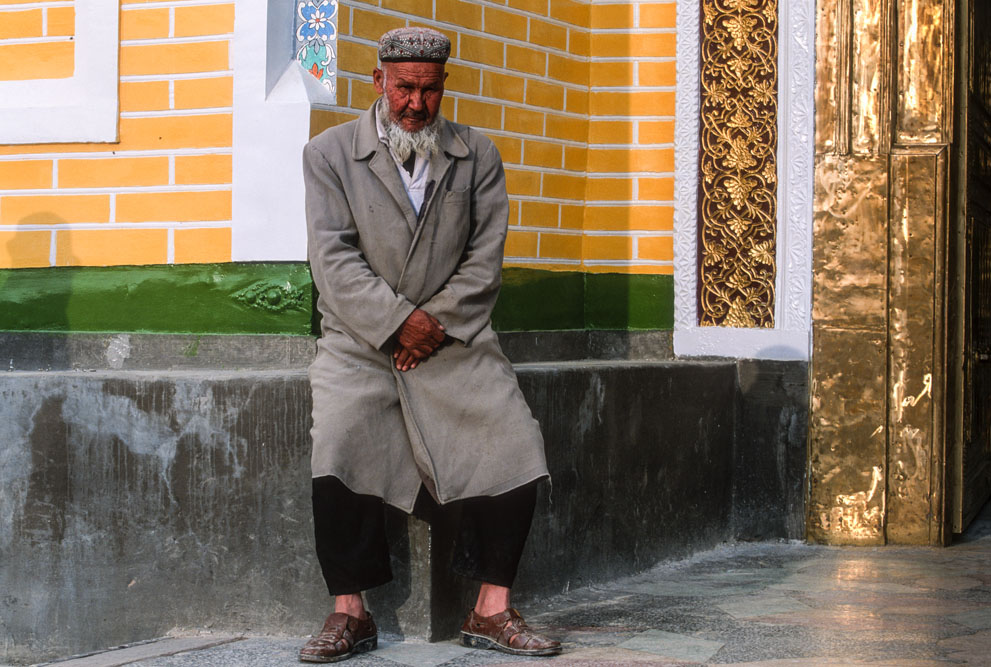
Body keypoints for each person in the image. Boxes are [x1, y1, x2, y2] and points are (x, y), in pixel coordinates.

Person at [299, 26, 561, 663]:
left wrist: (430, 325)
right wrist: (396, 324)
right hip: (362, 339)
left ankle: (491, 609)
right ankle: (350, 612)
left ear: (443, 85)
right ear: (379, 81)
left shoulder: (478, 154)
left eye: (429, 89)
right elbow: (332, 260)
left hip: (451, 338)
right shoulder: (328, 154)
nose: (415, 103)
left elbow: (484, 260)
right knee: (340, 437)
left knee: (514, 439)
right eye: (403, 88)